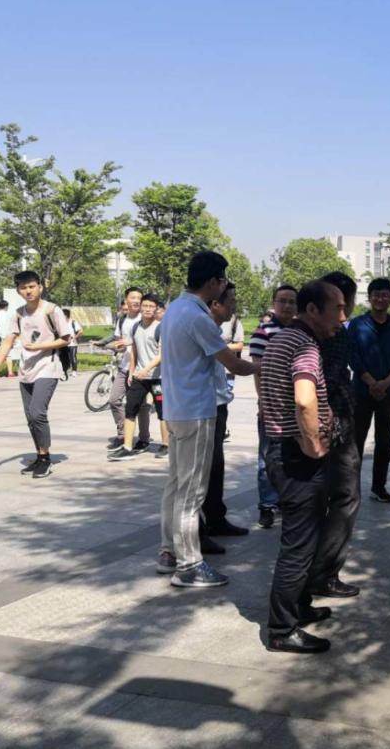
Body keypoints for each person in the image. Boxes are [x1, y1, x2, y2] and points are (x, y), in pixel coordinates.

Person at [156, 251, 257, 588]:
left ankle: (169, 551)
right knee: (191, 492)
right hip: (196, 412)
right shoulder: (199, 317)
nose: (225, 287)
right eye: (223, 280)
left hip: (175, 409)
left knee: (175, 485)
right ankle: (189, 565)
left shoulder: (174, 309)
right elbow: (234, 363)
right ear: (213, 281)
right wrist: (267, 364)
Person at [261, 280, 347, 654]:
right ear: (312, 310)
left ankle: (298, 606)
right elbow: (304, 400)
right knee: (298, 546)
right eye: (337, 308)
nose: (343, 317)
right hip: (297, 458)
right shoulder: (305, 346)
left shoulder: (282, 338)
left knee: (306, 539)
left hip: (282, 449)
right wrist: (313, 445)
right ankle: (282, 629)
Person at [307, 271, 362, 599]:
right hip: (334, 425)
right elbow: (327, 382)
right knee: (345, 497)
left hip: (322, 424)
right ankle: (324, 573)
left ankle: (314, 571)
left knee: (321, 499)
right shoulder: (333, 333)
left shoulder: (301, 333)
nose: (344, 313)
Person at [0, 271, 71, 478]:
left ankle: (45, 458)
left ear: (40, 287)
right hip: (26, 370)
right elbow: (8, 341)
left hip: (48, 367)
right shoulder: (18, 314)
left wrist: (40, 347)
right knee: (30, 418)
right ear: (18, 291)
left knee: (37, 413)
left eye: (32, 286)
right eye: (23, 288)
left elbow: (66, 338)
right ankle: (40, 456)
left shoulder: (52, 310)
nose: (28, 291)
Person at [348, 278, 390, 504]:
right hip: (361, 393)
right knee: (356, 442)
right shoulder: (357, 325)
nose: (380, 299)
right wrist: (372, 382)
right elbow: (353, 356)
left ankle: (379, 486)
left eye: (384, 295)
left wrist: (385, 383)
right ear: (370, 297)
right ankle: (351, 488)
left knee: (384, 442)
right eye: (376, 294)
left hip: (388, 394)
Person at [200, 282, 251, 542]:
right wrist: (266, 366)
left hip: (217, 404)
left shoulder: (214, 328)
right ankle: (198, 531)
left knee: (216, 466)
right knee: (203, 470)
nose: (234, 306)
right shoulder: (205, 328)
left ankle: (216, 518)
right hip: (203, 408)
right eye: (230, 301)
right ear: (215, 304)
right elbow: (236, 366)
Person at [250, 285, 298, 529]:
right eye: (282, 301)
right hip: (271, 404)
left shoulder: (302, 330)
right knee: (267, 456)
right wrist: (262, 400)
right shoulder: (264, 332)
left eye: (292, 301)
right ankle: (267, 505)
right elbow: (258, 370)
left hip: (296, 404)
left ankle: (287, 501)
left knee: (293, 456)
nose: (287, 306)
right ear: (274, 303)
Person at [108, 293, 170, 460]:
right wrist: (132, 371)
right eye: (145, 306)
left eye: (151, 307)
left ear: (156, 309)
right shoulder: (136, 327)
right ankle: (127, 447)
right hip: (140, 377)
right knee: (130, 409)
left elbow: (161, 355)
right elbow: (134, 350)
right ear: (141, 307)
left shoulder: (161, 328)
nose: (148, 309)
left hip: (159, 379)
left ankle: (166, 445)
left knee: (162, 411)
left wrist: (147, 369)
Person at [107, 287, 151, 452]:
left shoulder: (145, 319)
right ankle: (123, 434)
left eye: (139, 298)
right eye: (133, 297)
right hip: (124, 366)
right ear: (126, 300)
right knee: (114, 400)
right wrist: (116, 346)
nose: (136, 301)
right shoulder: (122, 320)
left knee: (142, 405)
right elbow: (120, 342)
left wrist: (129, 342)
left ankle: (144, 438)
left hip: (141, 369)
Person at [219, 305, 245, 442]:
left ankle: (221, 428)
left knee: (223, 401)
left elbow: (239, 345)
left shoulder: (234, 321)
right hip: (208, 368)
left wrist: (218, 346)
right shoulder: (205, 318)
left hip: (226, 368)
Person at [0, 299, 17, 378]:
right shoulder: (10, 315)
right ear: (6, 306)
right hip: (8, 337)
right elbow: (13, 327)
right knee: (9, 355)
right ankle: (10, 373)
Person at [62, 308, 83, 376]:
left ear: (66, 315)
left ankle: (74, 371)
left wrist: (75, 337)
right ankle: (64, 371)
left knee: (73, 357)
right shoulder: (62, 323)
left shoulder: (73, 322)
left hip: (72, 343)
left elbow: (81, 331)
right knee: (64, 358)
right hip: (63, 344)